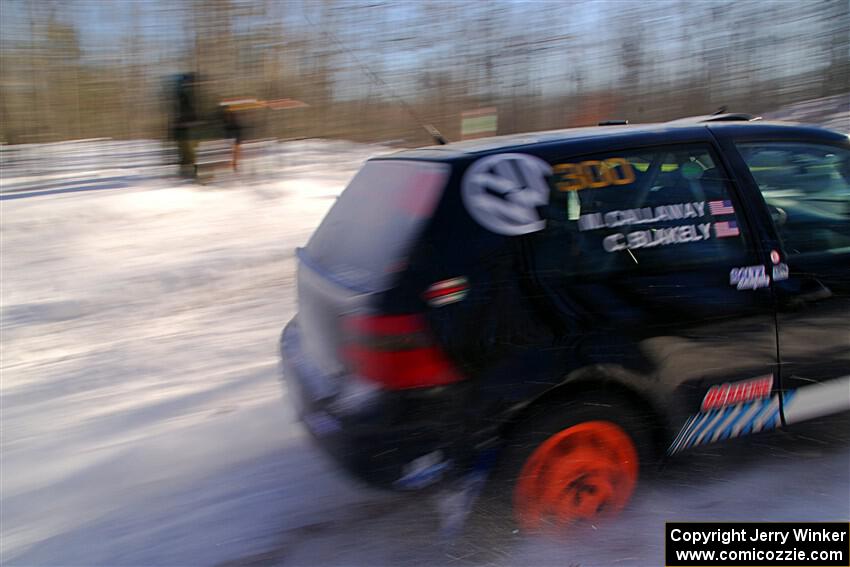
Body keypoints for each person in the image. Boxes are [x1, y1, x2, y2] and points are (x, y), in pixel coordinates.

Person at [172, 74, 200, 178]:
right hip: (185, 129)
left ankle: (189, 173)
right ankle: (187, 173)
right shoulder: (183, 96)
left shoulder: (187, 96)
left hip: (188, 128)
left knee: (189, 153)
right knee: (186, 152)